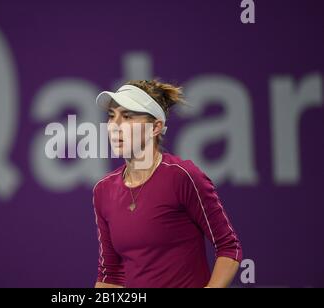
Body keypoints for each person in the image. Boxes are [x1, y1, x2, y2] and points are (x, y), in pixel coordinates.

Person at [93, 79, 242, 288]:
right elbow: (111, 274)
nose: (114, 126)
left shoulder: (183, 176)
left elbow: (229, 247)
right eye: (111, 116)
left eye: (127, 117)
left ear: (156, 128)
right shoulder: (103, 190)